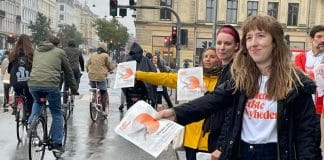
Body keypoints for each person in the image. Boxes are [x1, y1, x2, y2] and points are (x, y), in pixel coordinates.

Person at [158, 15, 322, 160]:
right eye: (249, 38)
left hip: (274, 153)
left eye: (260, 36)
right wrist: (175, 114)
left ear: (275, 42)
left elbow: (307, 136)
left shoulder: (296, 84)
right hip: (241, 152)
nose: (253, 43)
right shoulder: (241, 79)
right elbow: (212, 100)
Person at [136, 47, 222, 160]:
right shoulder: (193, 76)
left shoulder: (223, 80)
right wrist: (139, 75)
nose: (208, 59)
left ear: (219, 59)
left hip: (210, 141)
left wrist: (207, 93)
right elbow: (165, 78)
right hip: (191, 139)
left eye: (212, 56)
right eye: (205, 56)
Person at [27, 36, 78, 153]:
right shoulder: (60, 52)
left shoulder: (37, 50)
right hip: (50, 85)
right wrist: (74, 89)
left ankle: (31, 124)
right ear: (57, 44)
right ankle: (57, 142)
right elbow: (69, 72)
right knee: (56, 112)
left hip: (33, 84)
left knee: (38, 102)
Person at [202, 25, 240, 153]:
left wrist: (221, 146)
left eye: (227, 43)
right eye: (219, 43)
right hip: (216, 134)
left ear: (237, 46)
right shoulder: (225, 69)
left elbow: (230, 111)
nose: (222, 47)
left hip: (221, 138)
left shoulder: (235, 71)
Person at [122, 42, 157, 109]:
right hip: (142, 91)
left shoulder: (127, 60)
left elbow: (121, 75)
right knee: (141, 108)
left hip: (129, 91)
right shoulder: (145, 60)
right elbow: (154, 71)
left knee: (129, 109)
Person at [8, 34, 34, 116]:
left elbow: (9, 70)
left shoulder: (13, 54)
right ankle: (28, 115)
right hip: (28, 82)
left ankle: (17, 107)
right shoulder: (31, 54)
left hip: (16, 82)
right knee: (30, 98)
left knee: (18, 93)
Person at [86, 42, 113, 116]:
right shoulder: (105, 56)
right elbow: (109, 66)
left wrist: (88, 71)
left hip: (91, 76)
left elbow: (87, 64)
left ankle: (94, 100)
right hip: (101, 77)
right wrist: (111, 70)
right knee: (103, 92)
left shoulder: (93, 54)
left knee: (94, 89)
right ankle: (103, 110)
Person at [63, 39, 85, 104]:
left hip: (67, 69)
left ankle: (64, 102)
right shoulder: (78, 51)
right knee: (77, 79)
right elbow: (81, 60)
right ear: (75, 44)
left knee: (66, 85)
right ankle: (75, 89)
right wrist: (82, 68)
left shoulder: (64, 50)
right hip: (75, 69)